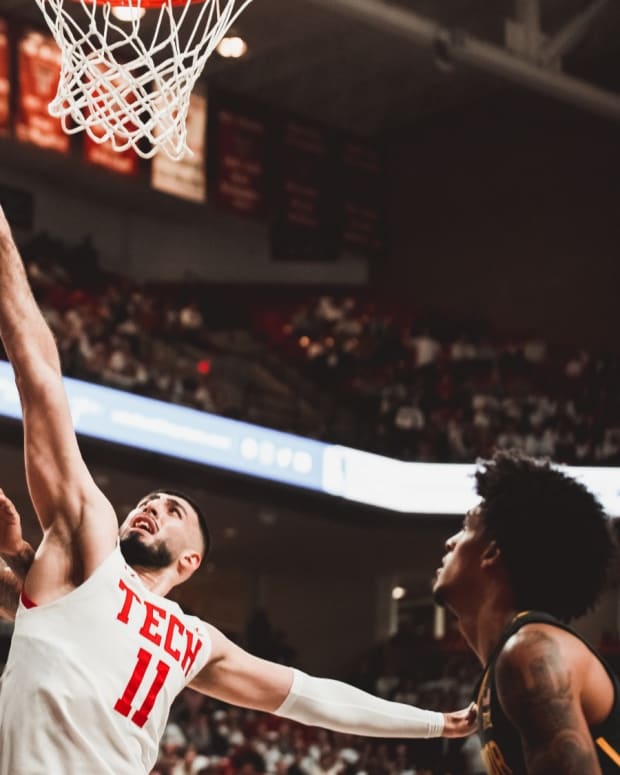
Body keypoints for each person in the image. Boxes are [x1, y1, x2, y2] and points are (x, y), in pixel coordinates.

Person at [0, 207, 476, 775]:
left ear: (192, 558)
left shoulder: (195, 640)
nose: (151, 506)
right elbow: (41, 379)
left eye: (172, 508)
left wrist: (436, 723)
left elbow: (313, 697)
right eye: (147, 501)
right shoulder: (90, 542)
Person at [432, 450, 620, 774]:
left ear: (491, 552)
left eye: (465, 528)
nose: (450, 541)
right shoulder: (503, 666)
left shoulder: (529, 651)